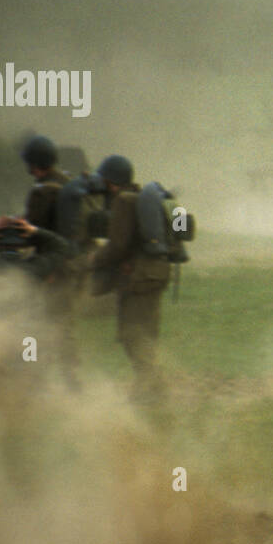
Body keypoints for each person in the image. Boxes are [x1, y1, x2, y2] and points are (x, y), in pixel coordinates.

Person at [87, 155, 169, 401]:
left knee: (132, 333)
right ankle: (150, 385)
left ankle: (152, 388)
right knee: (145, 332)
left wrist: (93, 260)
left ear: (112, 182)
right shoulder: (142, 197)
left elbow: (118, 246)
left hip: (138, 277)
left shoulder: (123, 201)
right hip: (155, 273)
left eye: (104, 180)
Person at [19, 134, 82, 384]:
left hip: (51, 267)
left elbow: (34, 230)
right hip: (69, 264)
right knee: (60, 323)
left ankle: (40, 376)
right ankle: (68, 377)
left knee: (40, 323)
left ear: (33, 165)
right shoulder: (67, 183)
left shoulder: (43, 191)